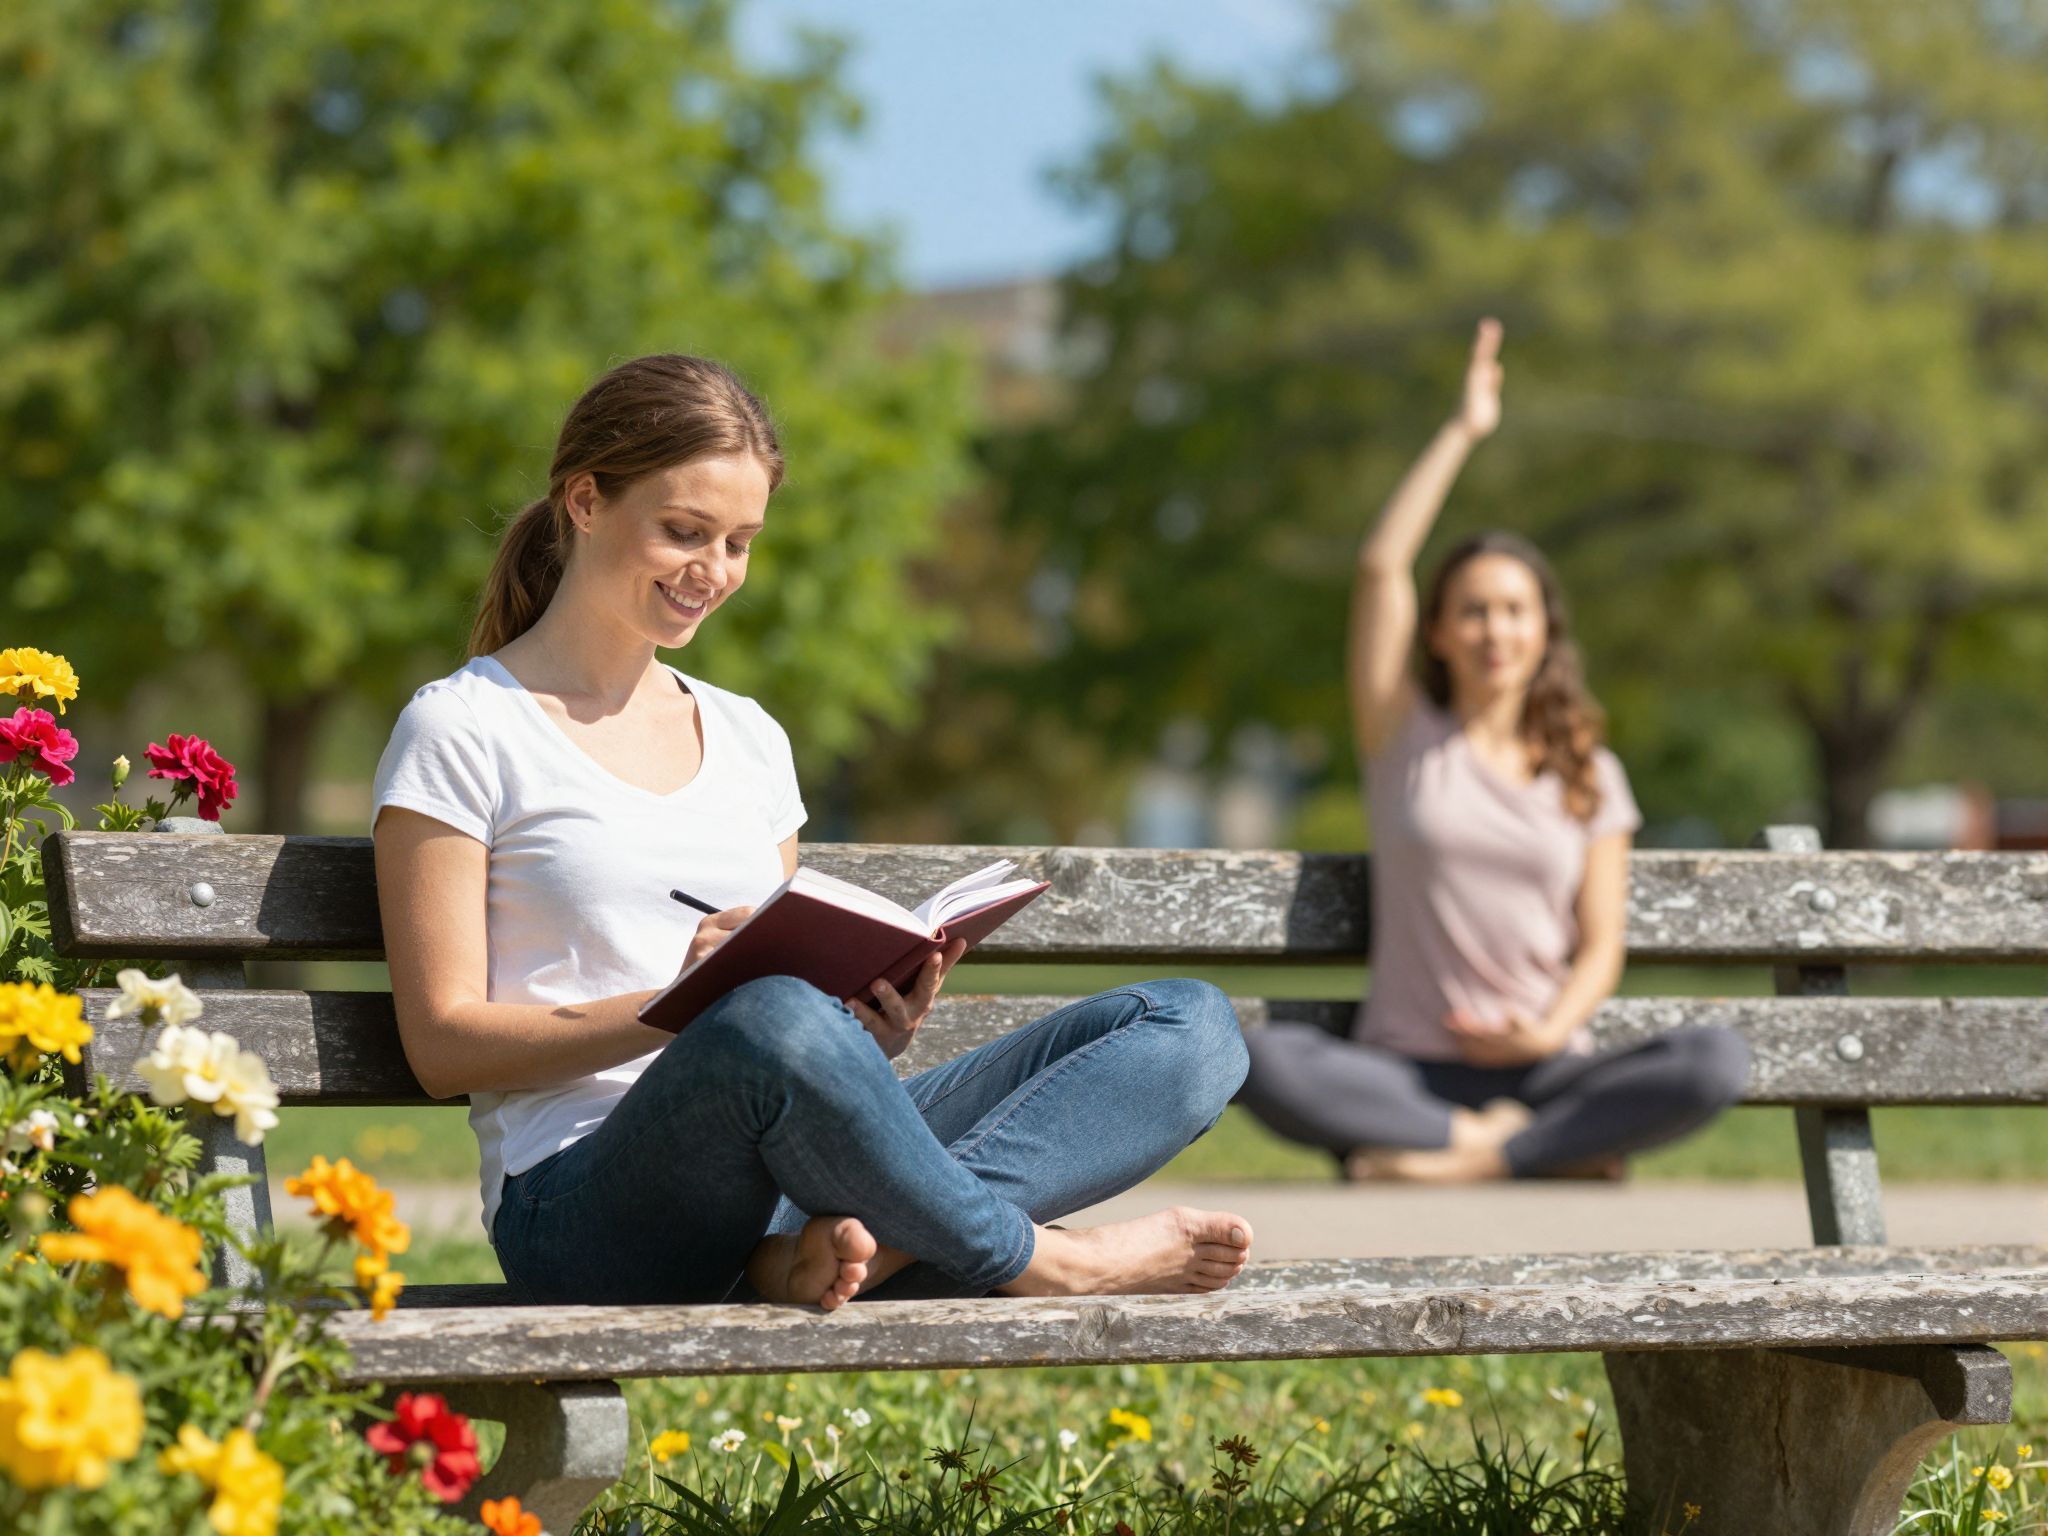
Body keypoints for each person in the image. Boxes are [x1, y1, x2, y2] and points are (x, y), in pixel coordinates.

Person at [370, 354, 1254, 1308]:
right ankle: (1040, 1259)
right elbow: (442, 1046)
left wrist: (866, 1027)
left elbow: (791, 1026)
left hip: (786, 1174)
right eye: (684, 532)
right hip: (582, 1201)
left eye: (740, 542)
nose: (714, 571)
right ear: (585, 502)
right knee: (769, 1017)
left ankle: (834, 1252)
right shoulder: (464, 727)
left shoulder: (749, 736)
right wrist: (682, 1004)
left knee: (1193, 1028)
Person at [1236, 321, 1748, 1182]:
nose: (1494, 630)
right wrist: (1462, 430)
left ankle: (1469, 1157)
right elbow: (1380, 565)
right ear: (1437, 632)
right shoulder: (1401, 738)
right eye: (1472, 611)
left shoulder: (1591, 771)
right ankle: (1524, 1150)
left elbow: (1601, 947)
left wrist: (1547, 1032)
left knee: (1714, 1061)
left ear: (1546, 631)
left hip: (1545, 1065)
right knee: (1263, 1058)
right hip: (1406, 1070)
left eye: (1514, 610)